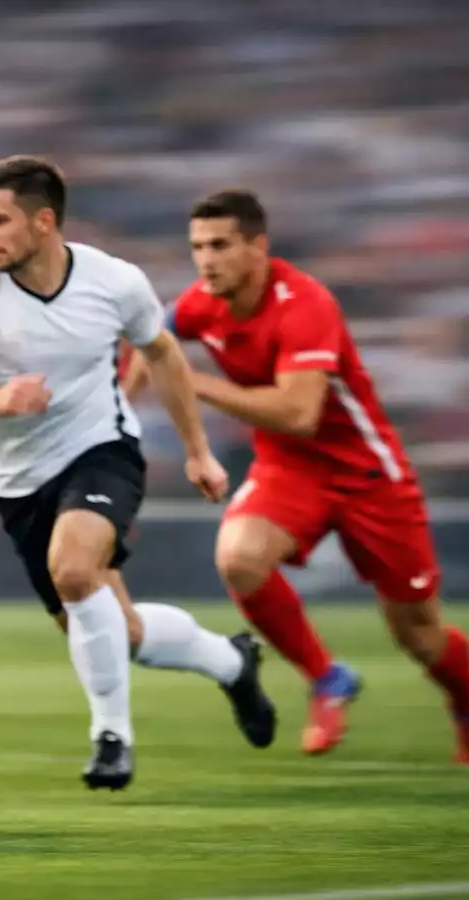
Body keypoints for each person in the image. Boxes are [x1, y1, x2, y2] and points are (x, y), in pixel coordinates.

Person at [0, 156, 275, 792]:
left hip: (102, 449)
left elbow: (162, 353)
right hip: (17, 479)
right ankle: (230, 661)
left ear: (44, 222)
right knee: (114, 631)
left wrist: (197, 451)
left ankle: (112, 738)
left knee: (74, 570)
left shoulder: (114, 281)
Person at [159, 188, 469, 761]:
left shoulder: (305, 303)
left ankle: (466, 697)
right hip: (289, 469)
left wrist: (193, 383)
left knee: (418, 633)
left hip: (368, 474)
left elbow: (299, 414)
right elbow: (148, 341)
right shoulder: (201, 303)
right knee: (238, 558)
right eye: (198, 246)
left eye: (221, 245)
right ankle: (327, 679)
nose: (206, 259)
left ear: (258, 247)